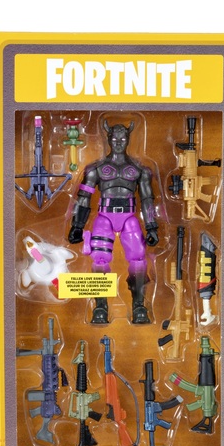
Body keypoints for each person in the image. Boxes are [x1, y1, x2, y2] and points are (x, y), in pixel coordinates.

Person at [67, 120, 159, 324]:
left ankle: (139, 307)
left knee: (138, 259)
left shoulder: (139, 170)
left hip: (129, 217)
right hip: (105, 217)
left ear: (128, 140)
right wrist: (77, 226)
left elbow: (147, 199)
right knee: (99, 259)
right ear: (108, 138)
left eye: (122, 139)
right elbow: (84, 197)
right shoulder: (96, 169)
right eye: (115, 139)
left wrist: (152, 226)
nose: (118, 142)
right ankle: (100, 308)